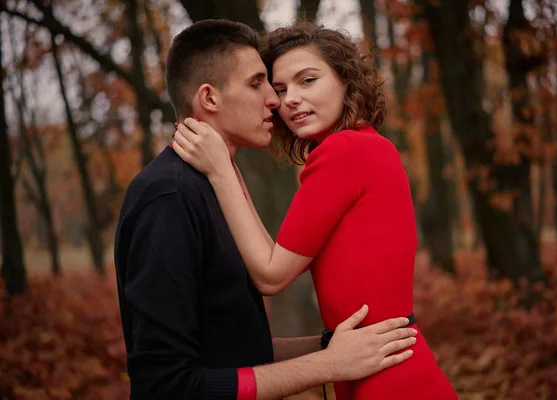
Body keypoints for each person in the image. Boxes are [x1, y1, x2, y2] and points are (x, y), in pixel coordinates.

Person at [114, 19, 419, 400]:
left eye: (305, 81)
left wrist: (331, 349)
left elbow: (232, 348)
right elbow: (168, 385)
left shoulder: (212, 187)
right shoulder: (169, 198)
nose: (277, 101)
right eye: (261, 85)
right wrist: (329, 363)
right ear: (209, 98)